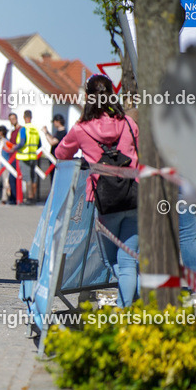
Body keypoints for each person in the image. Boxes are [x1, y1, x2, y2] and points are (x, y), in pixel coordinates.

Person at [54, 74, 139, 307]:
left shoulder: (81, 128)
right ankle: (133, 311)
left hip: (104, 200)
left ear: (89, 97)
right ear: (112, 94)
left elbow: (61, 154)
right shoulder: (129, 124)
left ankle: (127, 309)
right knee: (129, 260)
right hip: (134, 197)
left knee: (111, 259)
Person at [14, 109, 41, 204]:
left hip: (24, 157)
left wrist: (14, 148)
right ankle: (33, 197)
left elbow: (22, 142)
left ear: (24, 117)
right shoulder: (35, 130)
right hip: (33, 156)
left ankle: (29, 198)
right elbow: (39, 144)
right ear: (31, 117)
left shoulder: (23, 129)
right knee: (33, 177)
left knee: (27, 177)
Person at [42, 114, 68, 182]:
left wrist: (45, 133)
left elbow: (52, 142)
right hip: (54, 159)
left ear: (57, 121)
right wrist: (47, 132)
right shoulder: (59, 132)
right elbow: (53, 138)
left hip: (57, 160)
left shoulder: (62, 133)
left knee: (56, 180)